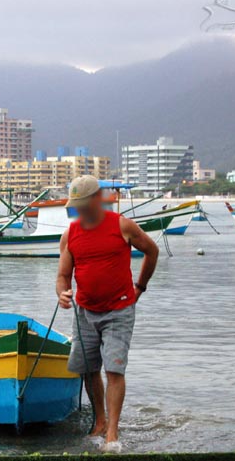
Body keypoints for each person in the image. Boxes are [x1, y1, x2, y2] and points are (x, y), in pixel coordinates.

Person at [56, 175, 159, 453]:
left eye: (82, 204)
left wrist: (140, 287)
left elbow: (152, 251)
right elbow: (63, 276)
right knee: (89, 369)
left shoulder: (122, 225)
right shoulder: (71, 234)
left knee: (114, 369)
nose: (79, 210)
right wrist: (63, 293)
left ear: (96, 200)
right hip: (86, 311)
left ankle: (112, 433)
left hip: (119, 310)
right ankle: (99, 422)